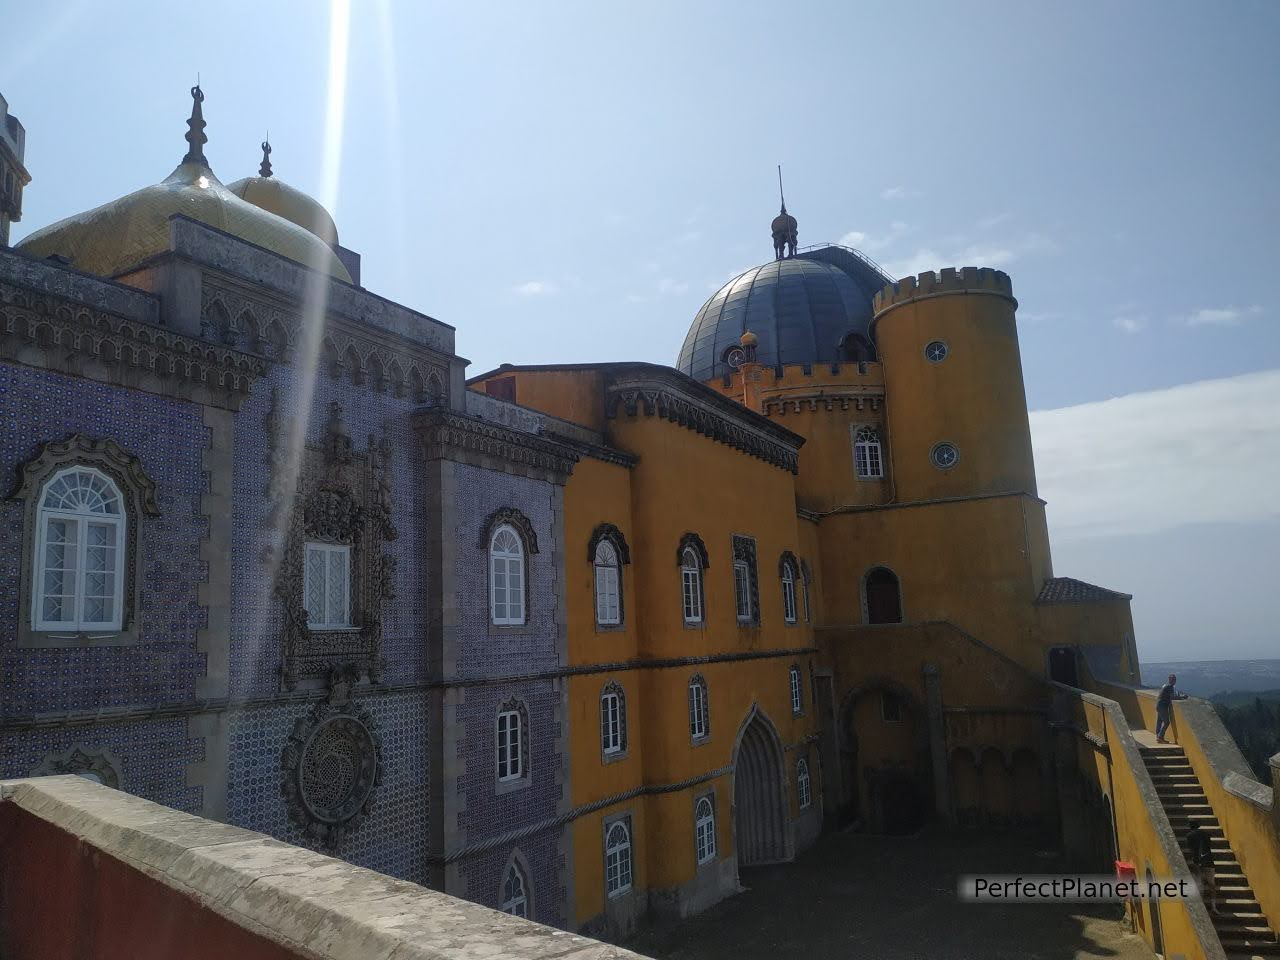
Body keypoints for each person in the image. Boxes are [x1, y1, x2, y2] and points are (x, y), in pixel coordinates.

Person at [1186, 823, 1218, 914]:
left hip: (1197, 863)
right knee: (1212, 885)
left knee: (1200, 885)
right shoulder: (1206, 834)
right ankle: (1213, 907)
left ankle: (1202, 908)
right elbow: (1209, 846)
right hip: (1209, 862)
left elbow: (1190, 849)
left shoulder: (1189, 836)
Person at [1155, 674, 1185, 743]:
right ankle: (1160, 737)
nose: (1174, 680)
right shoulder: (1170, 687)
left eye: (1174, 679)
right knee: (1167, 722)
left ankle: (1158, 735)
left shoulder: (1165, 686)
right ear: (1170, 680)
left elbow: (1172, 695)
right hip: (1163, 706)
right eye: (1173, 679)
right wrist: (1182, 697)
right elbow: (1173, 697)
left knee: (1159, 721)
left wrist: (1179, 696)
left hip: (1158, 705)